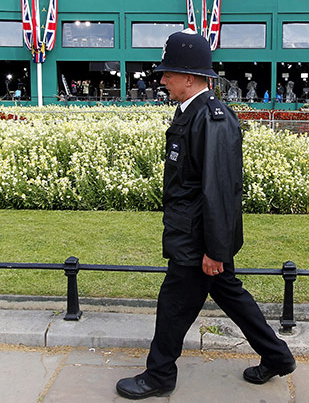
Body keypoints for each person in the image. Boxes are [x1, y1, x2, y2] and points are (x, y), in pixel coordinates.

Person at [116, 29, 296, 400]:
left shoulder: (211, 118)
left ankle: (160, 373)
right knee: (231, 296)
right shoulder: (192, 113)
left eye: (168, 74)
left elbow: (219, 190)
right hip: (196, 233)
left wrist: (215, 250)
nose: (162, 80)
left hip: (198, 239)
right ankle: (278, 356)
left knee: (173, 305)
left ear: (189, 76)